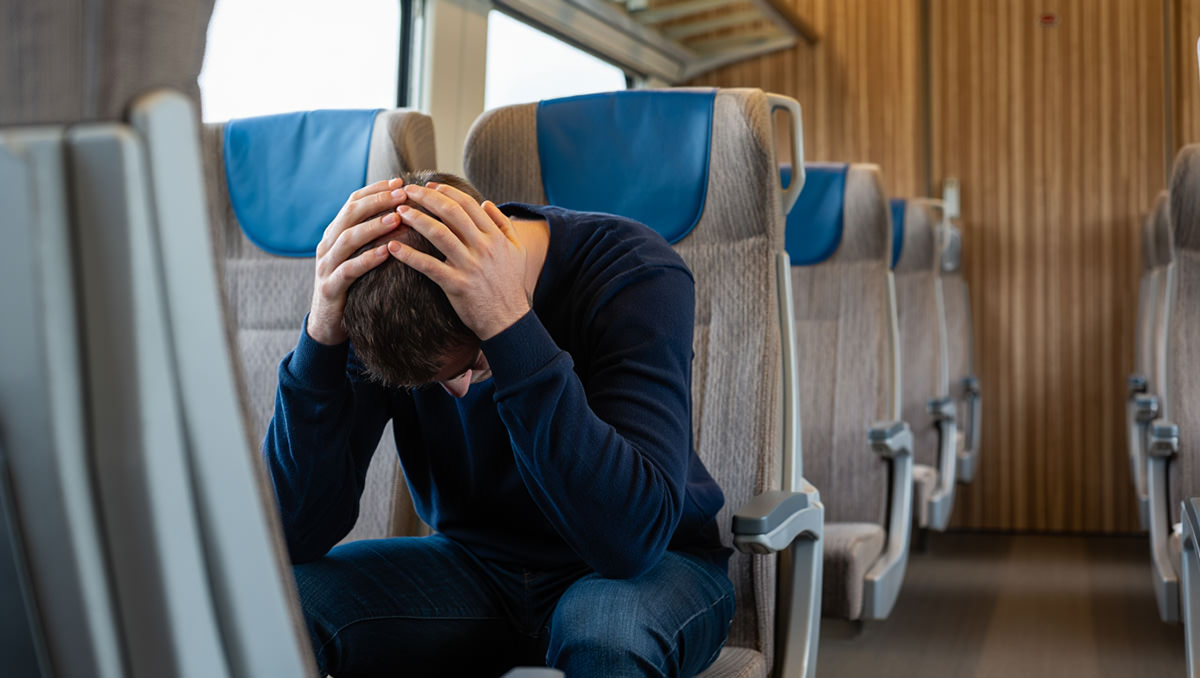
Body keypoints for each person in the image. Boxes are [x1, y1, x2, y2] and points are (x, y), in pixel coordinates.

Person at [264, 170, 734, 677]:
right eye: (435, 384)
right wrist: (320, 340)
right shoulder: (390, 299)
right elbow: (293, 537)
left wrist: (510, 328)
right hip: (475, 569)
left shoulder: (636, 271)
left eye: (470, 366)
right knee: (278, 610)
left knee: (606, 635)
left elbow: (628, 543)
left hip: (649, 567)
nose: (462, 394)